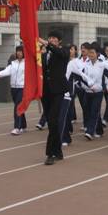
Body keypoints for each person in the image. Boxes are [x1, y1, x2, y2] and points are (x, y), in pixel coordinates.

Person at [40, 31, 70, 165]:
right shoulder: (44, 54)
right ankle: (58, 151)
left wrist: (47, 44)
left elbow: (60, 53)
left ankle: (50, 153)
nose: (51, 40)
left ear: (59, 41)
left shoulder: (64, 51)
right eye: (50, 38)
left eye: (54, 38)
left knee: (52, 120)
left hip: (58, 91)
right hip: (45, 91)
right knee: (52, 123)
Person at [0, 46, 27, 135]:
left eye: (21, 51)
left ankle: (17, 127)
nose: (19, 53)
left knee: (17, 106)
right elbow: (7, 70)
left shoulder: (27, 63)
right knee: (19, 106)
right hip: (13, 88)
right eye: (17, 51)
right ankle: (23, 125)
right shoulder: (13, 63)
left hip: (22, 88)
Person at [81, 45, 108, 140]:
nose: (90, 55)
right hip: (87, 92)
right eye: (89, 53)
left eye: (92, 53)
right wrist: (86, 86)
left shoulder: (102, 65)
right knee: (88, 111)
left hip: (98, 92)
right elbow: (82, 77)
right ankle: (99, 130)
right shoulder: (85, 65)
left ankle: (90, 131)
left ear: (97, 54)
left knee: (94, 111)